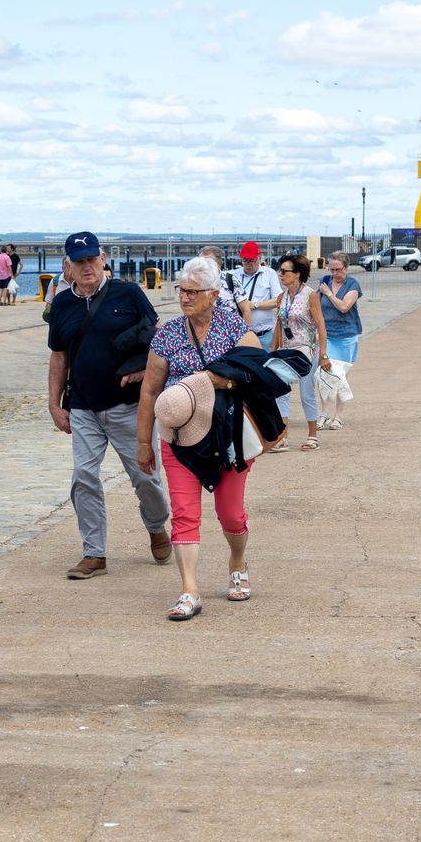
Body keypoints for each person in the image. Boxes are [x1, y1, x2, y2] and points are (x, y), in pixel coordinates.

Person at [136, 255, 262, 620]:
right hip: (178, 437)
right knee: (185, 515)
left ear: (213, 293)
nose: (185, 297)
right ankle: (190, 590)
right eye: (181, 290)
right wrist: (144, 443)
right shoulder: (169, 334)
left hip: (226, 437)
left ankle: (237, 560)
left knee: (230, 514)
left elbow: (258, 376)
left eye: (193, 292)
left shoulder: (235, 329)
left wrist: (214, 381)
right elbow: (149, 391)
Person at [47, 231, 171, 579]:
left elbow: (159, 338)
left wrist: (143, 370)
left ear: (103, 259)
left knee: (145, 479)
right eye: (79, 262)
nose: (87, 267)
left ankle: (157, 526)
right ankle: (94, 554)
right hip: (83, 406)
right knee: (83, 477)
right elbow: (58, 356)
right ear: (68, 266)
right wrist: (54, 404)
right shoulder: (61, 304)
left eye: (91, 259)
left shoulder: (128, 293)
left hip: (128, 406)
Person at [270, 252, 330, 452]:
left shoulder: (310, 295)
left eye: (285, 271)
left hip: (307, 351)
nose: (280, 274)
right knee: (281, 392)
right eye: (280, 271)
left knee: (306, 393)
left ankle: (313, 435)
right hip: (286, 351)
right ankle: (282, 437)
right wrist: (272, 352)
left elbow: (321, 326)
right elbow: (279, 324)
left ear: (297, 274)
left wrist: (323, 354)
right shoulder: (282, 298)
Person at [317, 255, 361, 430]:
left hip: (346, 335)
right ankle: (324, 413)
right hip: (326, 334)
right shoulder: (324, 280)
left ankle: (338, 416)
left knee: (340, 376)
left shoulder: (352, 285)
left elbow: (344, 307)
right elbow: (316, 303)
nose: (334, 273)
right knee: (324, 374)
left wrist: (328, 293)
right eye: (332, 269)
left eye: (338, 270)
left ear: (346, 268)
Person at [231, 240, 282, 350]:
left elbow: (279, 300)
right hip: (238, 336)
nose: (248, 264)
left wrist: (254, 305)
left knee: (265, 366)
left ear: (259, 258)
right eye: (245, 261)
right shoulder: (233, 275)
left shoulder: (269, 274)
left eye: (252, 261)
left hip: (263, 336)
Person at [200, 245, 241, 316]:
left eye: (208, 262)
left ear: (219, 263)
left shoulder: (230, 280)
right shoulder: (195, 282)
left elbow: (246, 310)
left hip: (229, 326)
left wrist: (244, 327)